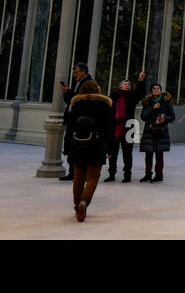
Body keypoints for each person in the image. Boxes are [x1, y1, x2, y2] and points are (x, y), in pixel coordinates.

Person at [65, 80, 114, 222]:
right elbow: (109, 128)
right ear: (97, 90)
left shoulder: (77, 105)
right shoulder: (104, 106)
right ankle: (84, 202)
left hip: (77, 144)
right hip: (97, 145)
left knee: (78, 177)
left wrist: (67, 146)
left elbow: (69, 127)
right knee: (93, 177)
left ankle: (77, 207)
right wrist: (111, 147)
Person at [106, 71, 147, 182]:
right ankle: (111, 174)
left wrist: (141, 80)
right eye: (125, 84)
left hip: (129, 126)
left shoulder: (133, 96)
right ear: (120, 86)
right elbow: (109, 111)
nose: (127, 85)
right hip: (115, 126)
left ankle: (127, 175)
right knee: (113, 151)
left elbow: (141, 93)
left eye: (128, 84)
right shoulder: (113, 96)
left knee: (127, 152)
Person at [57, 62, 92, 181]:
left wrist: (69, 93)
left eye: (77, 72)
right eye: (74, 72)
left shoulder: (88, 84)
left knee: (78, 146)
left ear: (83, 72)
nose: (75, 75)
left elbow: (81, 100)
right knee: (73, 147)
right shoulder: (79, 83)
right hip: (74, 119)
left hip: (79, 121)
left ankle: (79, 173)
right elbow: (73, 100)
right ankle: (73, 171)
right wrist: (67, 92)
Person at [138, 81, 175, 183]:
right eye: (154, 88)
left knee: (159, 154)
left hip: (161, 131)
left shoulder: (166, 102)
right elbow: (143, 116)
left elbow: (172, 116)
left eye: (158, 88)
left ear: (161, 90)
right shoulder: (147, 102)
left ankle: (159, 175)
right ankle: (148, 174)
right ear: (151, 91)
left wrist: (165, 119)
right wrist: (152, 108)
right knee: (148, 154)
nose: (156, 90)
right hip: (149, 130)